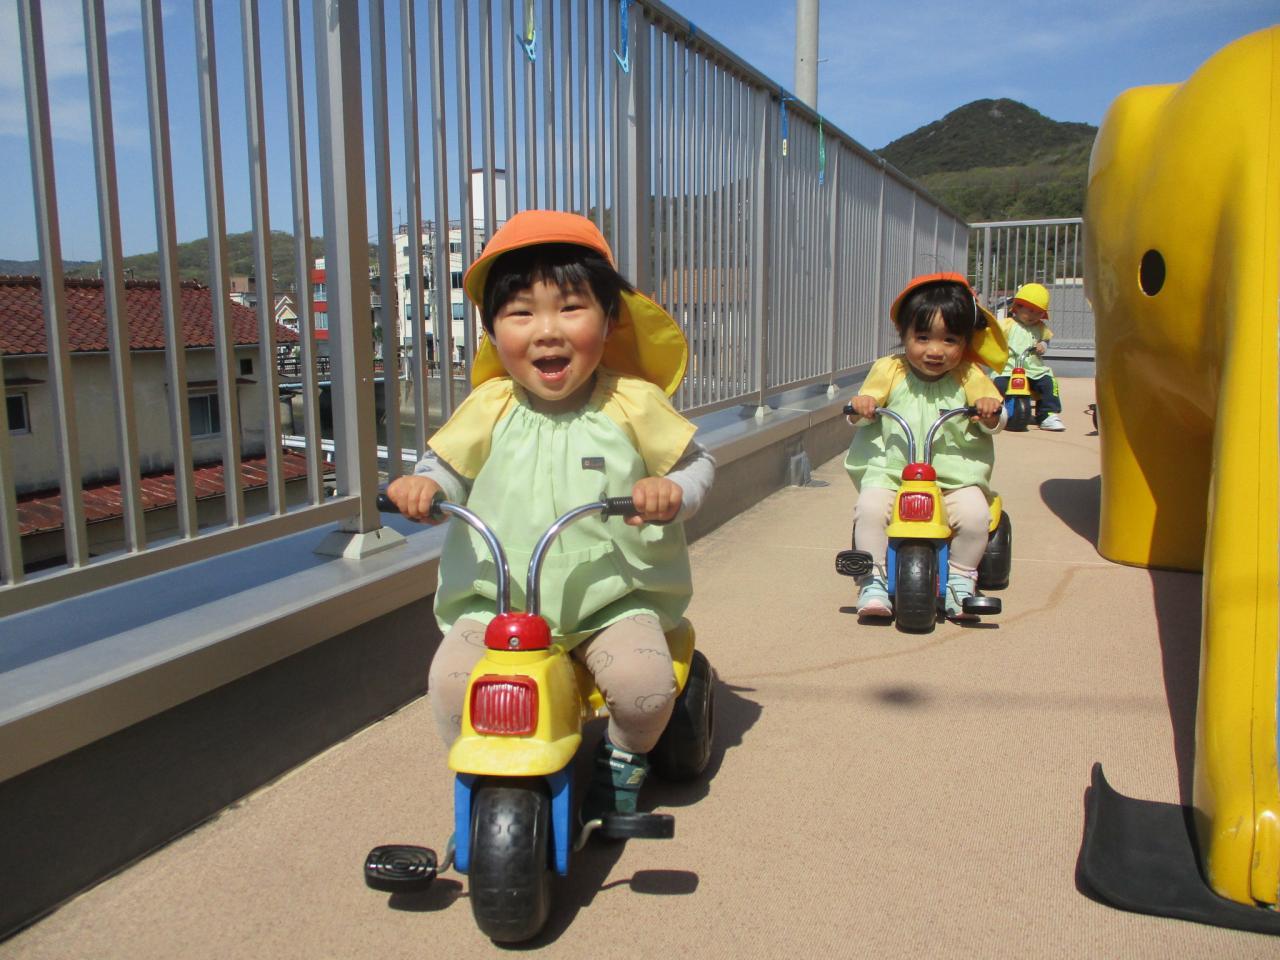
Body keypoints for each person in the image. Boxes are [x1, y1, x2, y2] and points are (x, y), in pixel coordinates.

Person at [386, 210, 714, 825]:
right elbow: (446, 466)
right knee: (451, 682)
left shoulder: (632, 401)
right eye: (521, 314)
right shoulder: (488, 406)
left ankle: (623, 757)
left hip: (610, 599)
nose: (547, 332)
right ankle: (477, 772)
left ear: (609, 319)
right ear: (491, 331)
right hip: (498, 600)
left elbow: (696, 463)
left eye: (570, 308)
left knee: (645, 687)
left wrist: (672, 490)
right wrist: (425, 487)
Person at [844, 272, 1007, 622]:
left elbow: (995, 416)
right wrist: (862, 406)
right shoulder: (890, 370)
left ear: (965, 342)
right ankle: (872, 580)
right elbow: (865, 407)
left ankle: (961, 579)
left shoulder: (970, 376)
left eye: (950, 340)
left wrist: (990, 411)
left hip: (953, 478)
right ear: (903, 334)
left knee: (976, 515)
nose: (935, 350)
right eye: (922, 337)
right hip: (892, 474)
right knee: (870, 509)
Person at [994, 282, 1065, 431]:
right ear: (1018, 307)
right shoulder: (1007, 324)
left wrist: (1043, 345)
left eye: (1038, 313)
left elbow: (1046, 339)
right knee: (998, 385)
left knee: (1049, 383)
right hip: (1008, 368)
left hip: (1033, 370)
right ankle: (996, 412)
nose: (1034, 316)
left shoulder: (1040, 327)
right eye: (1030, 311)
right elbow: (994, 336)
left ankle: (1047, 415)